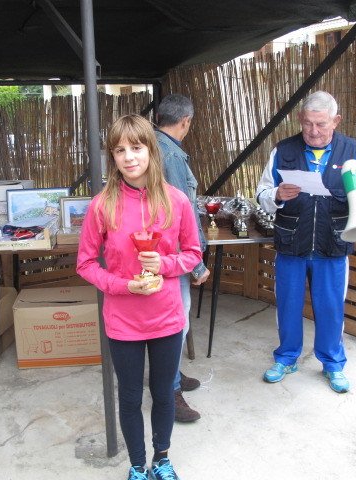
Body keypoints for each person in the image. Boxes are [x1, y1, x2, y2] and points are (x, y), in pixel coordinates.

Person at [77, 114, 203, 480]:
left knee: (163, 393)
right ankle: (136, 466)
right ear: (112, 157)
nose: (129, 157)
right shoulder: (102, 205)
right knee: (130, 396)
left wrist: (165, 264)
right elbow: (86, 264)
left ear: (151, 150)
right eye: (120, 150)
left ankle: (161, 459)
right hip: (123, 319)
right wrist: (123, 285)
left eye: (136, 147)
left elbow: (193, 254)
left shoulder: (176, 200)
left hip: (166, 317)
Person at [255, 91, 356, 394]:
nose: (313, 131)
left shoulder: (353, 151)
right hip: (291, 243)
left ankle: (333, 364)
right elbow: (261, 194)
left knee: (331, 308)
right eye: (308, 123)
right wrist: (276, 195)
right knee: (287, 305)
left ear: (336, 121)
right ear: (300, 118)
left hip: (332, 244)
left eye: (321, 124)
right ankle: (286, 358)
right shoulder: (283, 150)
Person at [154, 94, 210, 423]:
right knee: (176, 323)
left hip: (157, 251)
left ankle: (171, 375)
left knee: (168, 321)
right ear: (185, 122)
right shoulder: (171, 154)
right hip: (172, 255)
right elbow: (182, 213)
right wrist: (197, 262)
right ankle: (170, 390)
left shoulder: (151, 145)